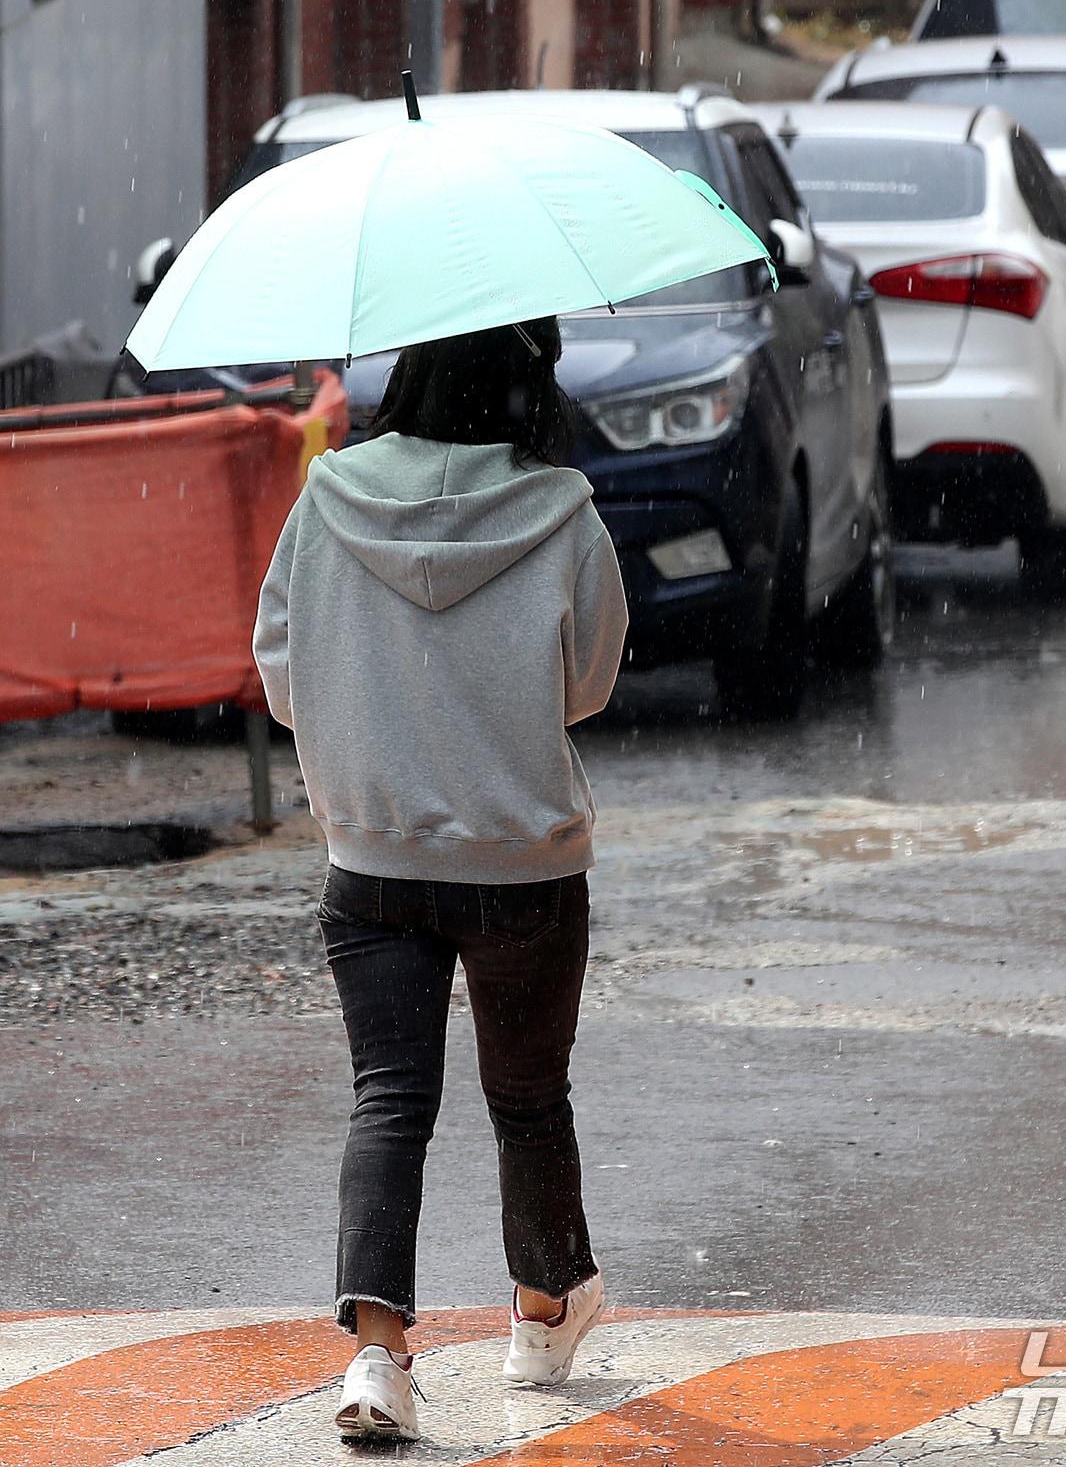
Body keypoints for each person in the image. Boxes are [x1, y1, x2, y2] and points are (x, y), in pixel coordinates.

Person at [253, 320, 628, 1442]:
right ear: (525, 381)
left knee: (389, 1099)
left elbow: (279, 670)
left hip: (369, 857)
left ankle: (377, 1359)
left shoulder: (325, 500)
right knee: (526, 1097)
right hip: (522, 861)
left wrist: (376, 721)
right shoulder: (562, 509)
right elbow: (590, 678)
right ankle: (543, 1306)